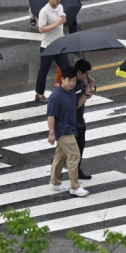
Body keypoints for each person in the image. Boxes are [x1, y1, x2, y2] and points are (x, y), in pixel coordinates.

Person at [46, 66, 88, 197]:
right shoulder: (56, 96)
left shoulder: (71, 93)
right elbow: (51, 116)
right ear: (62, 79)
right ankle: (75, 186)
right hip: (63, 131)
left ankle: (55, 182)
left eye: (74, 81)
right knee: (74, 155)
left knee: (61, 156)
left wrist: (86, 95)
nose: (72, 83)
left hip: (70, 128)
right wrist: (52, 133)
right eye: (69, 80)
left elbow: (76, 105)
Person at [35, 0, 71, 103]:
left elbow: (61, 20)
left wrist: (63, 20)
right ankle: (39, 94)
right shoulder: (44, 12)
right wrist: (57, 23)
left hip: (60, 44)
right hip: (48, 46)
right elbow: (41, 29)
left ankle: (68, 89)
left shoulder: (60, 7)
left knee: (67, 68)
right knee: (43, 71)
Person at [73, 59, 94, 180]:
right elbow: (76, 104)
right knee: (73, 148)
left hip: (80, 119)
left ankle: (77, 169)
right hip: (74, 120)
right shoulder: (74, 84)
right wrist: (85, 95)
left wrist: (90, 86)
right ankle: (58, 168)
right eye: (87, 73)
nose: (88, 75)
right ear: (80, 72)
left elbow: (87, 96)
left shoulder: (81, 81)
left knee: (80, 146)